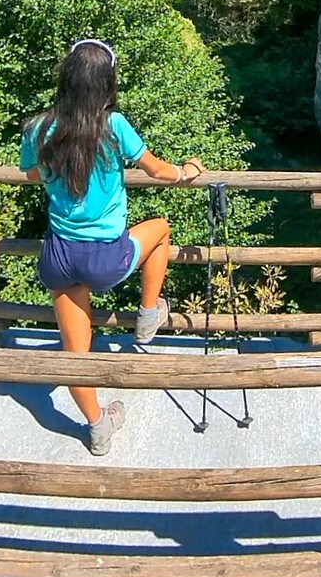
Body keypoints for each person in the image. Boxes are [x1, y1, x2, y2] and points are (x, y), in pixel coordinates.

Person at [21, 38, 203, 455]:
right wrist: (186, 171)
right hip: (106, 257)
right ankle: (148, 315)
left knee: (76, 356)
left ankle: (98, 427)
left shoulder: (38, 127)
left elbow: (32, 174)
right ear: (106, 82)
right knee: (160, 229)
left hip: (60, 257)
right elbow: (156, 170)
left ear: (66, 78)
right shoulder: (114, 125)